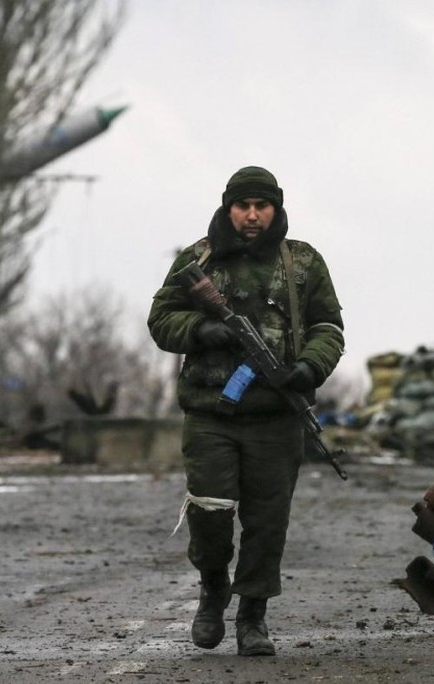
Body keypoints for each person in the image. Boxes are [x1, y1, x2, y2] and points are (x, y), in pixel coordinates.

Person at [147, 166, 344, 657]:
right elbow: (161, 319)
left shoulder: (302, 262)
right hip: (211, 413)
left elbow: (329, 327)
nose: (252, 216)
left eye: (262, 206)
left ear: (275, 208)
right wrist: (199, 330)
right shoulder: (199, 258)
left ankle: (252, 615)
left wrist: (308, 368)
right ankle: (213, 587)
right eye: (243, 206)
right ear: (228, 207)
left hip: (276, 417)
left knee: (267, 522)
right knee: (210, 512)